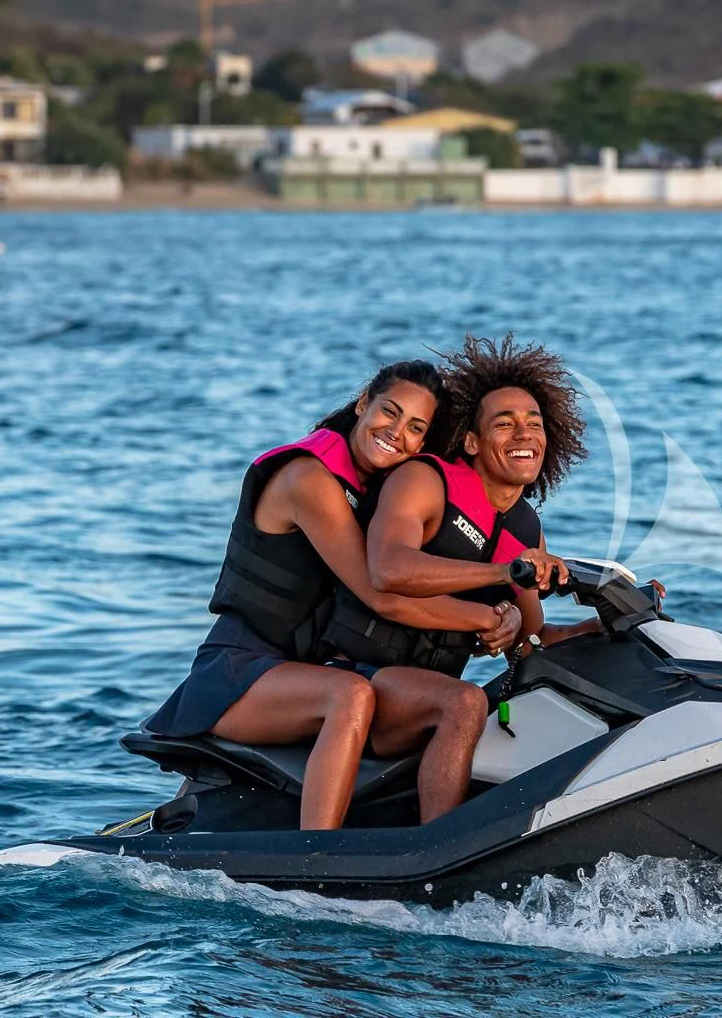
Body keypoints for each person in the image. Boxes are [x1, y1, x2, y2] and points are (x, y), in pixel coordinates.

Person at [143, 361, 529, 831]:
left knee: (437, 698)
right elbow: (381, 594)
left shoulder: (374, 493)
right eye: (389, 412)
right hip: (237, 672)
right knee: (350, 694)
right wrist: (484, 618)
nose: (397, 433)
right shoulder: (309, 480)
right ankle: (316, 854)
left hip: (304, 674)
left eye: (415, 428)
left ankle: (428, 845)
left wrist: (512, 613)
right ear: (363, 403)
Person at [363, 335, 603, 823]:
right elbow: (389, 567)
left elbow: (533, 640)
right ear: (471, 441)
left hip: (421, 693)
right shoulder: (425, 482)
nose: (524, 434)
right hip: (356, 676)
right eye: (505, 423)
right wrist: (502, 575)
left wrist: (600, 631)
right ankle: (437, 850)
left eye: (534, 424)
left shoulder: (523, 528)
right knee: (467, 703)